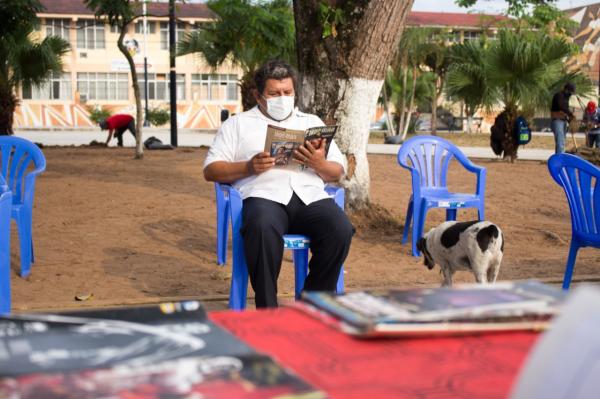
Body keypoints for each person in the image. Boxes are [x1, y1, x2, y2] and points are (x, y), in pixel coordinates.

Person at [203, 59, 353, 308]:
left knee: (340, 229)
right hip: (263, 196)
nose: (282, 98)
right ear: (258, 95)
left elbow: (337, 171)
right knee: (260, 227)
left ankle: (311, 305)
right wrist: (248, 167)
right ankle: (268, 309)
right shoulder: (237, 125)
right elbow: (211, 170)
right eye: (274, 93)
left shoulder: (311, 122)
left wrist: (318, 163)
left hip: (309, 196)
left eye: (287, 92)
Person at [550, 83, 576, 154]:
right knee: (560, 143)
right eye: (570, 92)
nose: (571, 94)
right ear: (566, 90)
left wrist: (570, 120)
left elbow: (565, 110)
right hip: (557, 121)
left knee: (562, 142)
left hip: (563, 121)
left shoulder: (566, 98)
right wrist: (570, 114)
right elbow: (561, 107)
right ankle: (560, 161)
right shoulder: (559, 95)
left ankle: (558, 159)